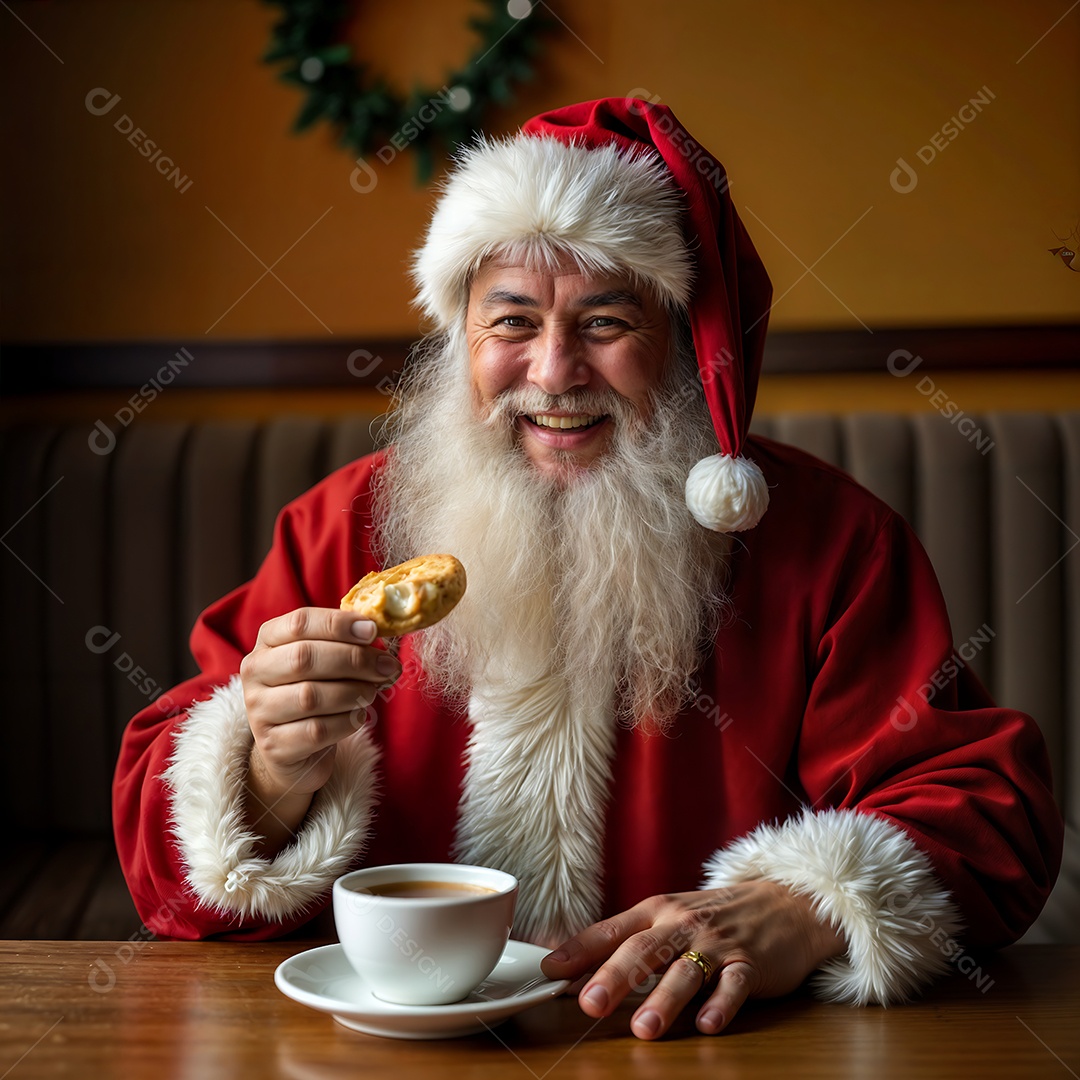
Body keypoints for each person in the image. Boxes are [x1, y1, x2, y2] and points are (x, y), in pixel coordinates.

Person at [113, 98, 1062, 1040]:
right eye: (513, 321)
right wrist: (271, 772)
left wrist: (807, 907)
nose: (556, 370)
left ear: (689, 348)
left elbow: (985, 809)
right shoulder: (342, 528)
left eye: (606, 323)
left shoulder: (832, 543)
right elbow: (163, 854)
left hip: (704, 1048)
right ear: (462, 340)